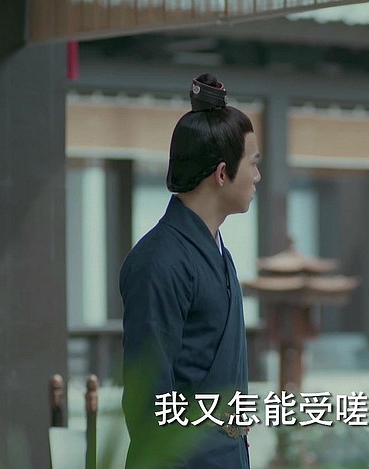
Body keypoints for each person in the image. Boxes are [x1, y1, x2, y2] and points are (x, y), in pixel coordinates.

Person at [120, 73, 260, 469]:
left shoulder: (216, 252)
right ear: (222, 173)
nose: (257, 176)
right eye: (253, 163)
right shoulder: (159, 261)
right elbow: (148, 404)